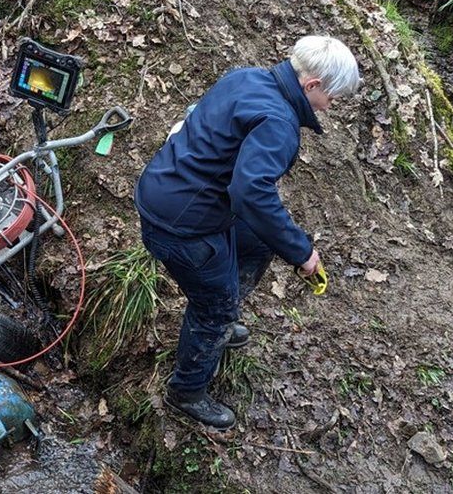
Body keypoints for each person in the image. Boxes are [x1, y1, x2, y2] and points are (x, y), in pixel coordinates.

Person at [135, 35, 361, 429]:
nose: (329, 106)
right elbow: (251, 193)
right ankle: (187, 391)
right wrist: (302, 252)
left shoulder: (247, 77)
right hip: (180, 225)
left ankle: (221, 312)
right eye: (331, 97)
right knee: (214, 308)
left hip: (167, 190)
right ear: (311, 84)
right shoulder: (279, 123)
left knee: (257, 241)